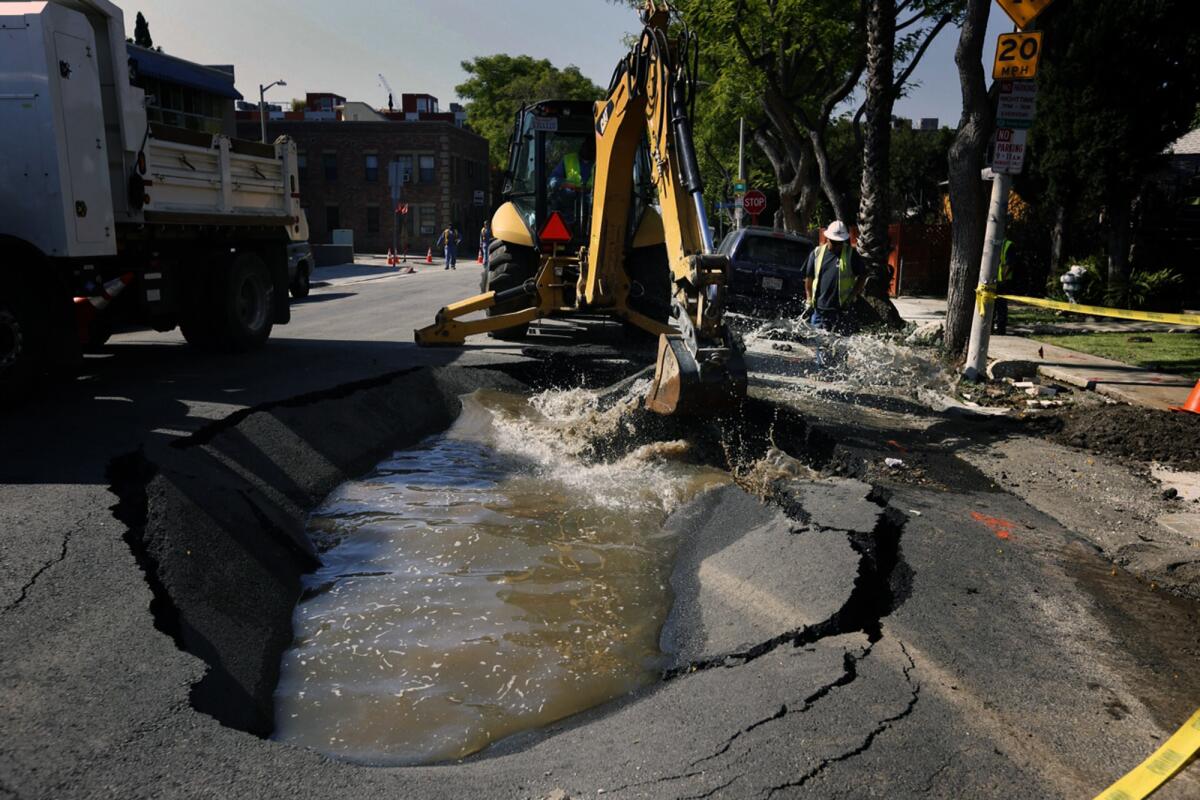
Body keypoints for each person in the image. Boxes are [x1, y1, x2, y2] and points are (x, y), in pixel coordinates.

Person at [803, 220, 867, 333]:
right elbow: (809, 278)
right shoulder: (816, 253)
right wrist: (809, 298)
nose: (837, 245)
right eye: (834, 242)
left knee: (839, 347)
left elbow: (862, 276)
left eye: (840, 242)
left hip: (842, 311)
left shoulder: (850, 255)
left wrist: (853, 295)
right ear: (827, 238)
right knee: (820, 345)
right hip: (820, 311)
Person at [548, 137, 595, 222]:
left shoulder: (601, 162)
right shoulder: (569, 159)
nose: (587, 149)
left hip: (592, 209)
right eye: (585, 145)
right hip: (568, 207)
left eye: (591, 147)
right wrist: (564, 184)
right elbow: (552, 180)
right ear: (582, 146)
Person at [992, 239, 1013, 335]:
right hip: (993, 280)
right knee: (992, 306)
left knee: (1000, 307)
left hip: (1002, 282)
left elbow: (1009, 264)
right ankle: (992, 328)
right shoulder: (991, 241)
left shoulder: (1008, 245)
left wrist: (1003, 277)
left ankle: (1000, 329)